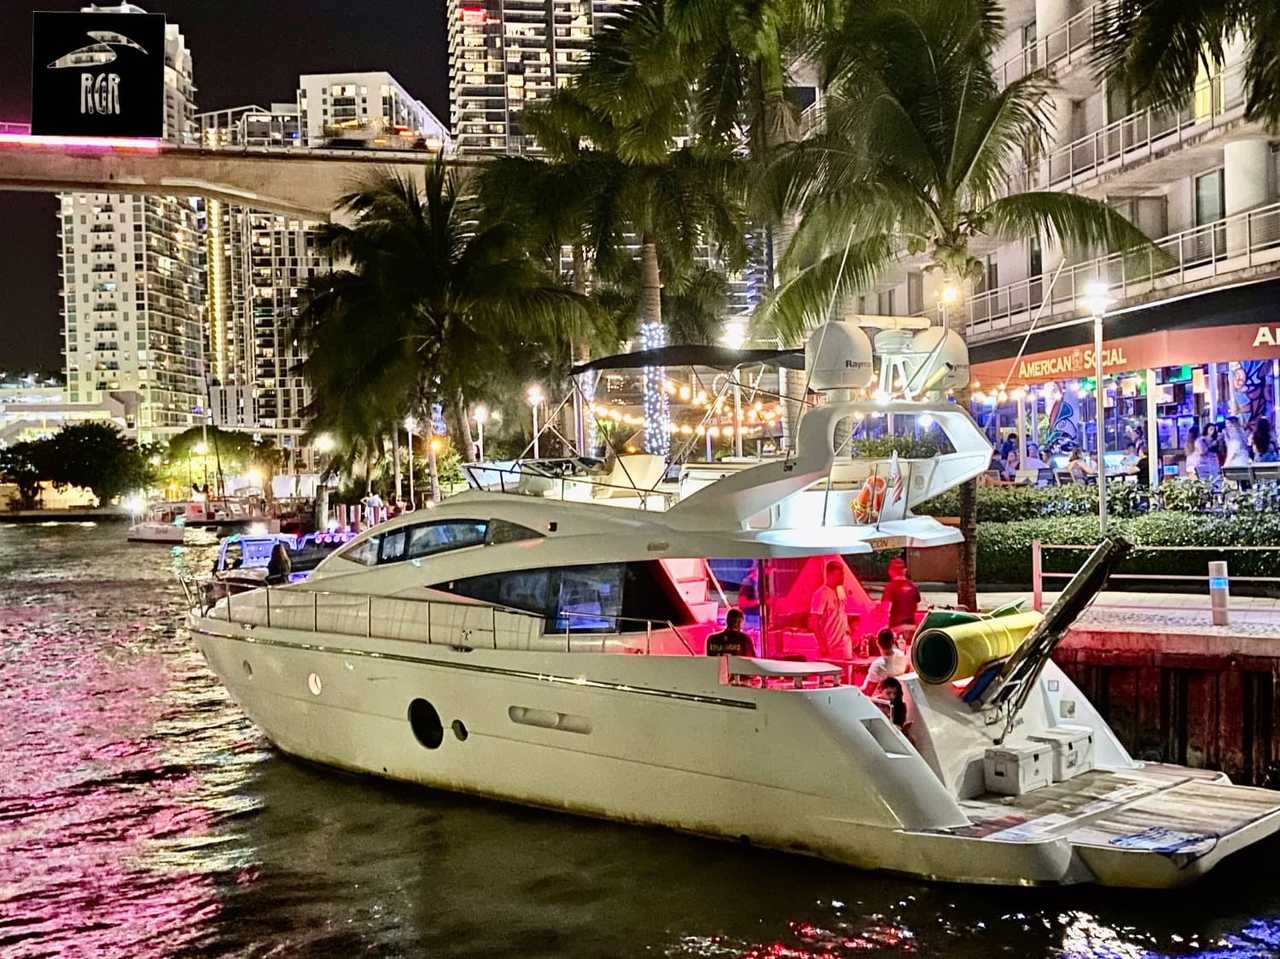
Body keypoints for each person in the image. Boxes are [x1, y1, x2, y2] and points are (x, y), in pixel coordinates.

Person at [809, 559, 852, 660]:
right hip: (830, 646)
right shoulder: (821, 594)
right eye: (839, 575)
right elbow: (814, 622)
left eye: (843, 575)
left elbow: (841, 613)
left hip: (844, 644)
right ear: (830, 575)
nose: (842, 578)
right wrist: (822, 645)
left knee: (847, 669)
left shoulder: (840, 591)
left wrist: (849, 629)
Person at [861, 628, 908, 695]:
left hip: (880, 698)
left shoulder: (878, 665)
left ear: (877, 643)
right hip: (896, 695)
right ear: (893, 641)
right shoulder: (901, 655)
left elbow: (867, 692)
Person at [881, 557, 921, 630]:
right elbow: (917, 608)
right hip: (911, 626)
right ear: (904, 571)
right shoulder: (913, 586)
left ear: (890, 571)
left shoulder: (890, 587)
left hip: (896, 627)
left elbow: (886, 608)